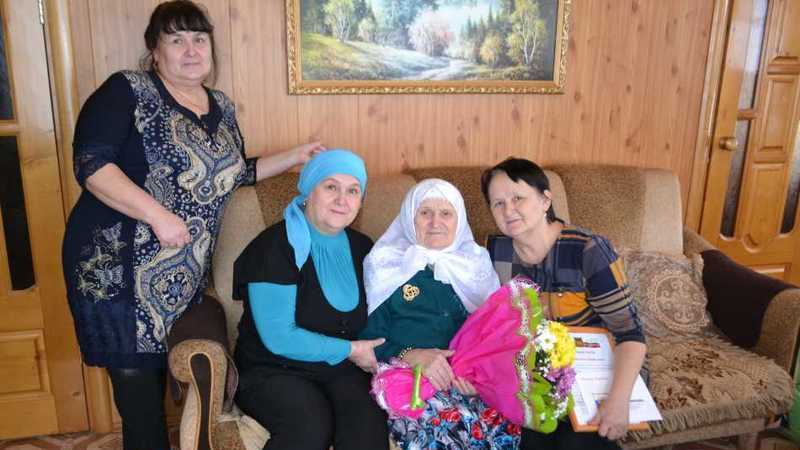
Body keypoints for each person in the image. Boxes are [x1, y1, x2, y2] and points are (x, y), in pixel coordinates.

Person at [61, 2, 324, 449]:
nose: (190, 50)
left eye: (199, 39)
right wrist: (157, 215)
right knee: (140, 397)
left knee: (165, 388)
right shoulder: (127, 90)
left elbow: (235, 173)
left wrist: (296, 156)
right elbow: (91, 165)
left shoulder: (220, 106)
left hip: (179, 276)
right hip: (118, 268)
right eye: (176, 39)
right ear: (155, 50)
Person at [480, 158, 647, 450]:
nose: (508, 210)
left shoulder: (588, 249)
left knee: (575, 444)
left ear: (546, 200)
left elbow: (630, 334)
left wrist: (618, 400)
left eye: (518, 198)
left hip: (597, 374)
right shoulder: (495, 251)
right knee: (524, 441)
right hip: (534, 379)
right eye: (498, 204)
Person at [232, 149, 389, 450]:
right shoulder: (273, 248)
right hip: (274, 368)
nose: (342, 199)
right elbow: (280, 338)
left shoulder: (363, 248)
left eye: (353, 191)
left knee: (367, 427)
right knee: (309, 428)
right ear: (308, 191)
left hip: (341, 369)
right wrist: (351, 349)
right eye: (331, 187)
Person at [361, 178, 521, 450]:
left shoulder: (476, 264)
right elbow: (369, 339)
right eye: (425, 213)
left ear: (459, 221)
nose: (436, 222)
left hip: (464, 382)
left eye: (446, 213)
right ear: (409, 218)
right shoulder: (385, 263)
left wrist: (479, 375)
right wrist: (412, 355)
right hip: (409, 380)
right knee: (449, 432)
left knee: (506, 431)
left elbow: (494, 337)